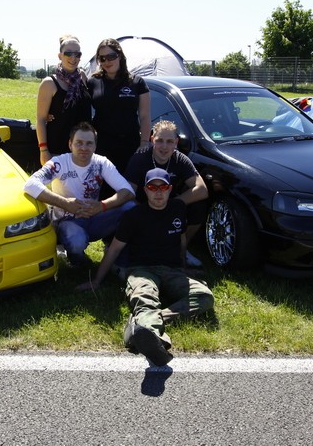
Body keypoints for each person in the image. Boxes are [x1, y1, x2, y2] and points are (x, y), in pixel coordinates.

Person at [75, 168, 215, 366]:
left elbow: (181, 241)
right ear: (146, 190)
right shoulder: (134, 215)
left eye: (163, 187)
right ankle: (156, 341)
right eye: (152, 187)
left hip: (172, 271)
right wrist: (97, 281)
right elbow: (114, 249)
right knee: (145, 299)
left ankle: (142, 327)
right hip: (142, 271)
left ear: (170, 189)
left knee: (204, 296)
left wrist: (183, 269)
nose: (158, 192)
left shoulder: (177, 208)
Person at [24, 122, 135, 267]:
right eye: (79, 143)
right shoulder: (59, 162)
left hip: (93, 217)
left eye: (89, 143)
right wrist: (65, 203)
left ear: (95, 146)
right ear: (70, 144)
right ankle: (76, 260)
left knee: (130, 207)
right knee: (76, 242)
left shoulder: (101, 163)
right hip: (66, 221)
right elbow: (30, 184)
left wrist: (102, 206)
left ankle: (117, 252)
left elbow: (128, 192)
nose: (84, 148)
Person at [124, 120, 208, 267]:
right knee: (126, 207)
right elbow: (128, 192)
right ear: (152, 140)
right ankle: (128, 247)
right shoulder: (140, 158)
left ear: (176, 142)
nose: (164, 146)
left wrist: (172, 204)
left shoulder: (180, 159)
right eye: (159, 141)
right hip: (143, 206)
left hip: (168, 204)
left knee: (199, 205)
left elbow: (201, 189)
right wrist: (146, 209)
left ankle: (181, 248)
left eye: (169, 141)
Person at [87, 38, 151, 174]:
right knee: (103, 190)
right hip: (101, 147)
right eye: (102, 58)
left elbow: (145, 116)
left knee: (128, 188)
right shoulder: (93, 82)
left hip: (130, 146)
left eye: (111, 56)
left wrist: (144, 142)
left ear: (120, 56)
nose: (107, 62)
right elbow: (80, 108)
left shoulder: (137, 82)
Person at [36, 34, 91, 165]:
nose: (73, 58)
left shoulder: (82, 77)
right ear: (60, 55)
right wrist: (43, 150)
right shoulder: (49, 83)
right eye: (68, 53)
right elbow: (40, 119)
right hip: (58, 150)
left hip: (83, 149)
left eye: (77, 54)